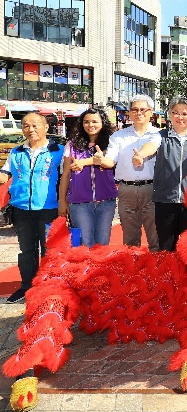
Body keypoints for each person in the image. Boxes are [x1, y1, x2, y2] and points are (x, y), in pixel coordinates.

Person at [0, 113, 64, 303]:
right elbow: (5, 174)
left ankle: (48, 288)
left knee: (49, 250)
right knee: (26, 250)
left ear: (46, 127)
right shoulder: (16, 152)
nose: (31, 129)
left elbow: (67, 180)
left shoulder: (59, 151)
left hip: (49, 209)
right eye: (26, 126)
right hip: (21, 209)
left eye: (35, 125)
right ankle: (27, 287)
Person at [133, 98, 187, 251]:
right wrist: (141, 155)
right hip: (165, 199)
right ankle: (168, 274)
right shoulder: (161, 135)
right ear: (169, 115)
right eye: (176, 113)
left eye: (184, 113)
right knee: (166, 245)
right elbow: (151, 146)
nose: (180, 117)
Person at [101, 95, 161, 252]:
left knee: (155, 237)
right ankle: (132, 273)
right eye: (134, 109)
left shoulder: (159, 135)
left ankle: (157, 273)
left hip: (153, 189)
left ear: (151, 113)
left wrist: (141, 155)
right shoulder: (118, 136)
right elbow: (110, 160)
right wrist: (100, 160)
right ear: (129, 113)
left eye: (143, 109)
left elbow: (153, 147)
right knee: (130, 239)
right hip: (126, 190)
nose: (139, 113)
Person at [58, 109, 117, 247]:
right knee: (85, 243)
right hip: (79, 203)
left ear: (103, 123)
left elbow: (110, 162)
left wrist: (84, 162)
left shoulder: (112, 143)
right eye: (86, 122)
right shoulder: (72, 145)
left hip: (106, 202)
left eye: (95, 121)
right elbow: (66, 174)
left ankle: (100, 270)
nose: (90, 125)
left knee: (102, 244)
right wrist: (62, 201)